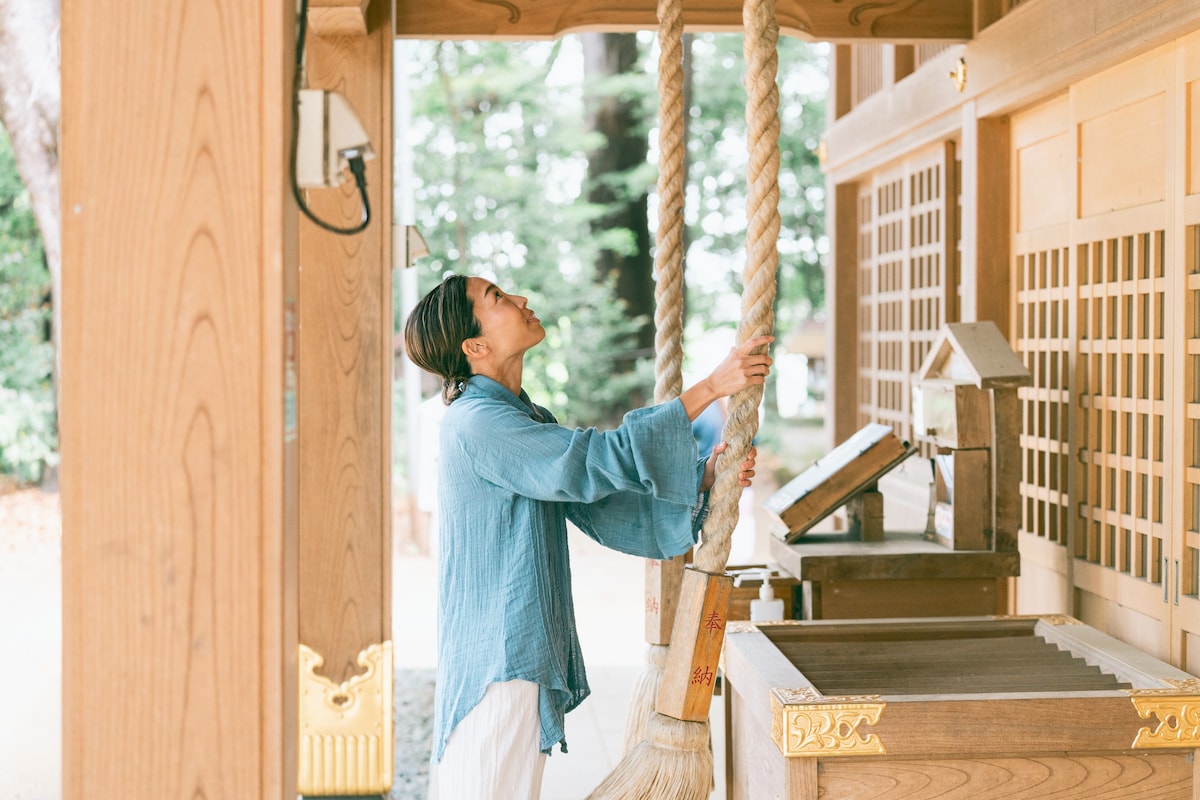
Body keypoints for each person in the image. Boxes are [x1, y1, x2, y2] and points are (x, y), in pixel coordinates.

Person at [403, 274, 773, 799]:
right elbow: (592, 459)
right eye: (499, 299)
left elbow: (599, 501)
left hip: (516, 655)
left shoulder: (519, 416)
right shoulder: (478, 422)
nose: (522, 298)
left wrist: (703, 480)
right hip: (497, 663)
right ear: (476, 346)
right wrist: (710, 388)